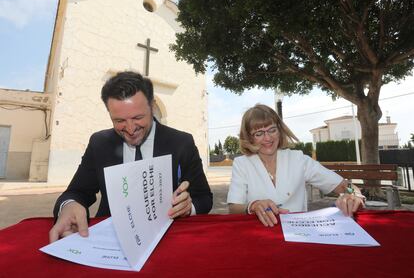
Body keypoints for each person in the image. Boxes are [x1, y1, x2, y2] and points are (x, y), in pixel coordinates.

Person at [49, 71, 212, 242]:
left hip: (168, 238)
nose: (130, 128)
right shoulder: (100, 143)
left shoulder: (181, 142)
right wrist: (69, 206)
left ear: (152, 106)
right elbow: (77, 192)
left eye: (138, 117)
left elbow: (204, 198)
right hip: (111, 239)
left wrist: (188, 207)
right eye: (119, 121)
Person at [227, 104, 365, 227]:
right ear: (250, 137)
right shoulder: (242, 164)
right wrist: (253, 206)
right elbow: (234, 208)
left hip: (299, 236)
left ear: (280, 131)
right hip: (258, 236)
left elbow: (346, 186)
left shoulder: (298, 159)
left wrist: (354, 196)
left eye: (272, 130)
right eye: (259, 133)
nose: (268, 138)